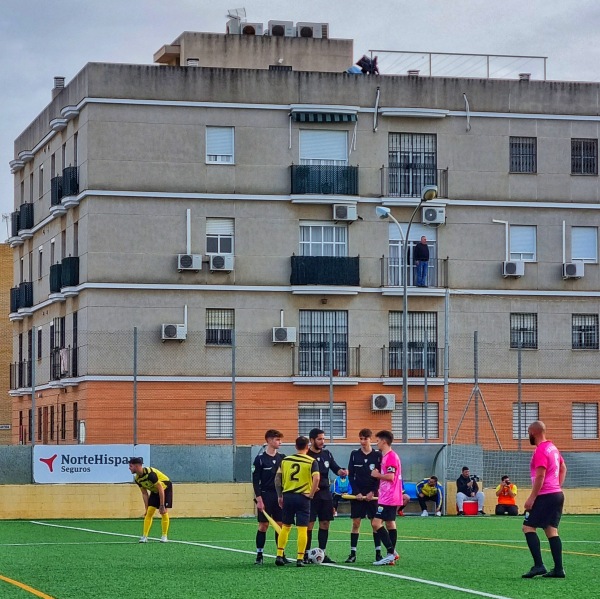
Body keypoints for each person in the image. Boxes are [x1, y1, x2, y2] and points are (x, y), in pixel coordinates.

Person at [522, 421, 567, 579]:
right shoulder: (553, 448)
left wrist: (532, 498)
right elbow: (563, 468)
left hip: (545, 495)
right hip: (556, 494)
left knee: (528, 527)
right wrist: (557, 486)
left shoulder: (541, 449)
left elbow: (540, 475)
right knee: (551, 530)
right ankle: (559, 569)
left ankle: (539, 565)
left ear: (533, 432)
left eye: (528, 433)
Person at [274, 436, 320, 567]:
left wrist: (280, 496)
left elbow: (277, 479)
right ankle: (300, 558)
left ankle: (279, 555)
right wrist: (311, 494)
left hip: (288, 496)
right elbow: (316, 479)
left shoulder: (285, 460)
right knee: (302, 529)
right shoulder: (311, 461)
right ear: (307, 446)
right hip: (303, 498)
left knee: (285, 527)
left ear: (295, 446)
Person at [305, 428, 348, 564]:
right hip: (311, 494)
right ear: (312, 440)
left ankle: (322, 554)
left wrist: (342, 471)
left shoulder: (327, 454)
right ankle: (305, 554)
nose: (322, 441)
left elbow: (335, 468)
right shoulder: (306, 455)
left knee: (325, 523)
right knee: (309, 524)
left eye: (323, 438)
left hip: (325, 494)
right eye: (319, 439)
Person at [345, 428, 383, 563]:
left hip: (372, 495)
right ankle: (353, 553)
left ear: (370, 439)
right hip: (358, 495)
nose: (362, 441)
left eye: (365, 439)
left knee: (375, 524)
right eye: (360, 438)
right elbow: (351, 475)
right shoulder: (354, 454)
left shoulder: (378, 455)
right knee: (356, 523)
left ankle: (378, 553)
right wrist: (357, 492)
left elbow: (379, 476)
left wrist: (373, 491)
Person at [252, 429, 286, 565]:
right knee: (263, 526)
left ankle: (281, 554)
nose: (280, 442)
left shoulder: (282, 458)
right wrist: (259, 499)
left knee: (280, 525)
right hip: (265, 495)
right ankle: (259, 555)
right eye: (277, 440)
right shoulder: (260, 459)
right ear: (269, 440)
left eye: (280, 440)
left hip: (279, 496)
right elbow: (255, 481)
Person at [371, 430, 402, 566]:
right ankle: (392, 554)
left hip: (388, 496)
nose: (376, 443)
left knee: (376, 523)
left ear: (384, 441)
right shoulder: (387, 456)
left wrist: (377, 475)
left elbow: (390, 477)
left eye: (377, 441)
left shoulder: (390, 457)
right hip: (389, 495)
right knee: (390, 523)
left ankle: (390, 552)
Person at [128, 457, 172, 543]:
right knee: (149, 512)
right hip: (155, 490)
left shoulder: (150, 474)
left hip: (165, 489)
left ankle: (164, 536)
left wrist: (162, 505)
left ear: (137, 466)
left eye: (131, 466)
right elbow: (144, 493)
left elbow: (160, 489)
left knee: (164, 512)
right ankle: (144, 537)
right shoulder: (137, 479)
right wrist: (146, 508)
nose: (129, 468)